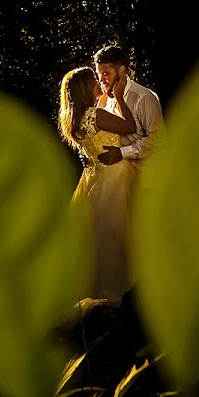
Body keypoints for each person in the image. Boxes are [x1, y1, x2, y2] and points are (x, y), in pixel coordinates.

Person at [58, 65, 138, 305]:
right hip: (115, 174)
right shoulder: (96, 115)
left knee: (102, 240)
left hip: (95, 177)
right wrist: (121, 97)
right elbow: (130, 126)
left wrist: (107, 92)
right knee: (120, 234)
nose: (98, 81)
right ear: (85, 87)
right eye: (94, 79)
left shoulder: (76, 117)